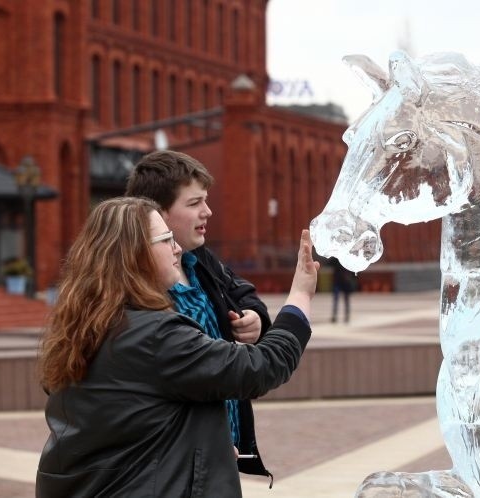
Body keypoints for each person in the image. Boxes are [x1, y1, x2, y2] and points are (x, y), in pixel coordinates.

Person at [35, 197, 319, 497]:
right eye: (166, 238)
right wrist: (300, 296)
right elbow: (260, 367)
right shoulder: (154, 334)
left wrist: (203, 448)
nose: (177, 248)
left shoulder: (82, 323)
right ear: (135, 253)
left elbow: (129, 423)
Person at [125, 150, 275, 478]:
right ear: (157, 213)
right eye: (194, 203)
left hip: (220, 452)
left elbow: (243, 293)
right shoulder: (135, 288)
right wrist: (299, 304)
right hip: (177, 464)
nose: (208, 211)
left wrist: (255, 319)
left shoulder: (200, 258)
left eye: (205, 200)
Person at [328, 257, 356, 323]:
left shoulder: (348, 258)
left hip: (344, 282)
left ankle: (346, 315)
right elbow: (329, 263)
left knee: (344, 300)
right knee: (337, 300)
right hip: (338, 282)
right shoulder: (337, 257)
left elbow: (352, 270)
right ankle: (335, 316)